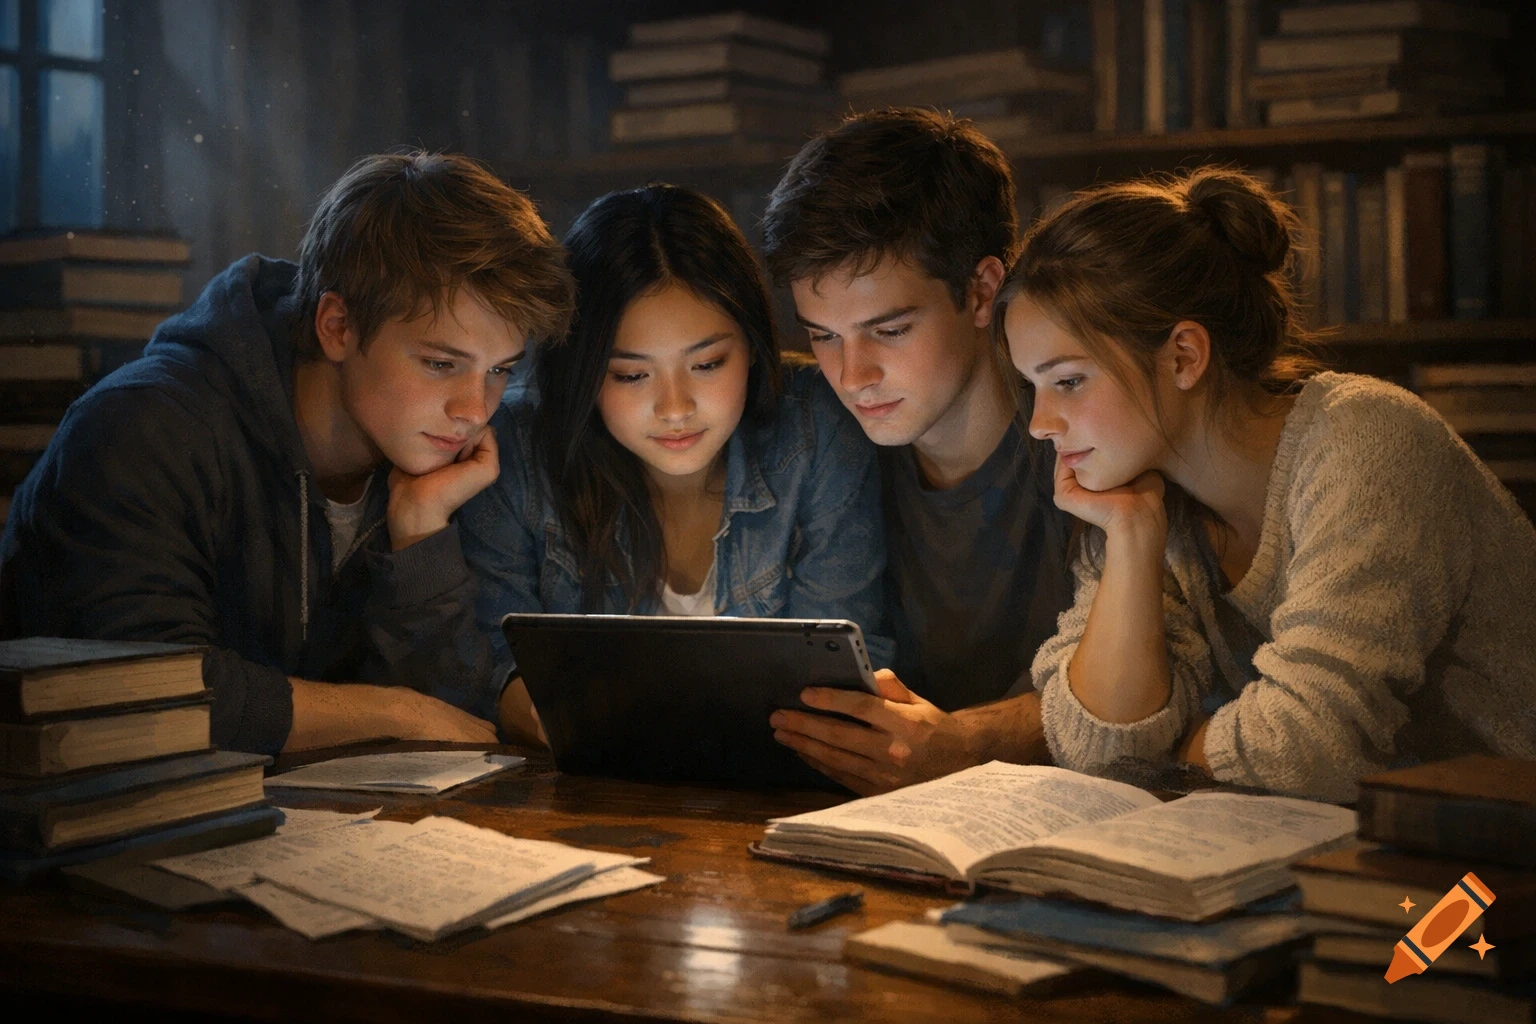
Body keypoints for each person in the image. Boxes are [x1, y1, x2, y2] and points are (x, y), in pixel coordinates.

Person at [0, 151, 574, 755]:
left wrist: (421, 537)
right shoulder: (142, 428)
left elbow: (458, 722)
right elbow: (145, 694)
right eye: (440, 364)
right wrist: (392, 712)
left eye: (500, 371)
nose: (475, 410)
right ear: (337, 326)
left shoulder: (429, 458)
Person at [1002, 166, 1536, 803]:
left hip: (1502, 857)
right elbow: (1096, 748)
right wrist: (1132, 537)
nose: (1040, 425)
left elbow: (1310, 747)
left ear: (1183, 357)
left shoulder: (1365, 441)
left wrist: (1159, 757)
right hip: (1379, 847)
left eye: (1067, 382)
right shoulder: (1142, 492)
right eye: (1032, 387)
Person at [457, 184, 891, 746]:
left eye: (708, 363)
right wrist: (541, 712)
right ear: (584, 373)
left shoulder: (813, 427)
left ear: (754, 346)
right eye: (631, 375)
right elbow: (488, 664)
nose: (676, 408)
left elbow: (845, 671)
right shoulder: (518, 445)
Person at [759, 108, 1075, 795]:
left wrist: (965, 743)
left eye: (889, 330)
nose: (853, 375)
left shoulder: (1082, 428)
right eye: (822, 335)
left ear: (983, 290)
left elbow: (1149, 685)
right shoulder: (814, 440)